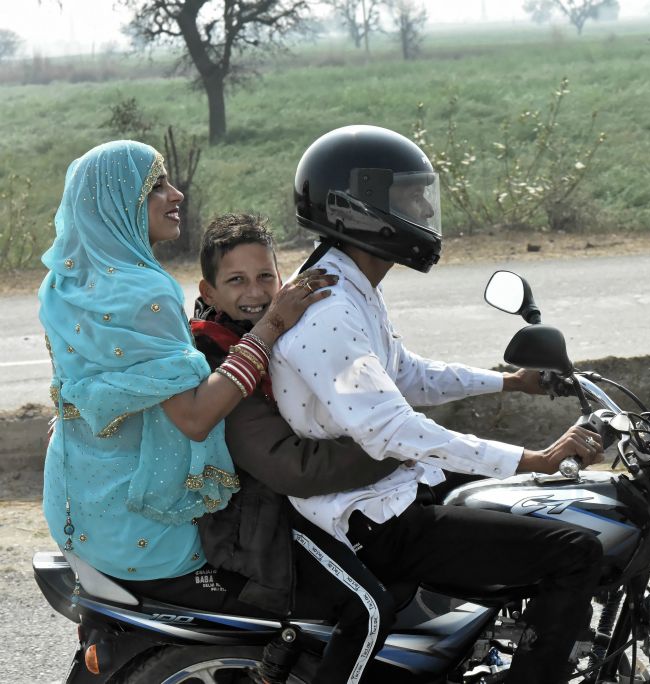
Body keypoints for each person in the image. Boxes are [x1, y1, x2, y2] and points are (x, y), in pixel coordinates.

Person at [274, 125, 606, 684]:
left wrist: (510, 383)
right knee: (574, 552)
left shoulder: (349, 284)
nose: (423, 211)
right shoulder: (327, 309)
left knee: (526, 508)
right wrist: (532, 458)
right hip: (372, 519)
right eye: (408, 199)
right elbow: (390, 427)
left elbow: (406, 374)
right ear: (359, 206)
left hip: (389, 492)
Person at [38, 140, 332, 609]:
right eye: (156, 186)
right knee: (293, 596)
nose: (176, 195)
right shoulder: (144, 292)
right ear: (116, 203)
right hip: (142, 522)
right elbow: (194, 418)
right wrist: (273, 324)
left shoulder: (64, 282)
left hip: (76, 502)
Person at [190, 212, 404, 684]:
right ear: (209, 293)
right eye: (236, 281)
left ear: (281, 277)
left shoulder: (286, 328)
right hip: (257, 515)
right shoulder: (216, 356)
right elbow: (290, 468)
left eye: (265, 276)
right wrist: (396, 447)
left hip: (298, 500)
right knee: (368, 609)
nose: (255, 292)